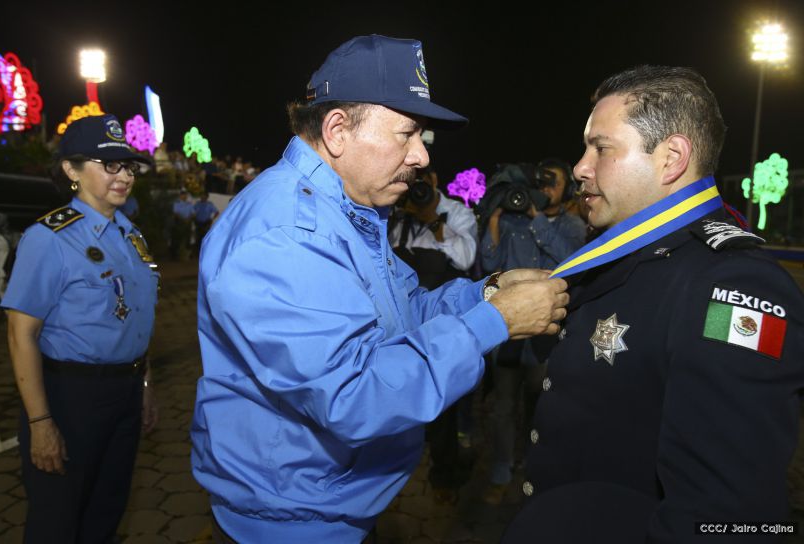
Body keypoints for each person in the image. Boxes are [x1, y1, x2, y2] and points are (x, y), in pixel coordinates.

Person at [191, 34, 568, 544]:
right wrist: (493, 322)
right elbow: (352, 396)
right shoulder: (287, 234)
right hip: (291, 523)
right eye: (407, 134)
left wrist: (484, 295)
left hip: (328, 504)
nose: (420, 155)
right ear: (337, 130)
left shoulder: (345, 212)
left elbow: (401, 311)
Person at [503, 66, 804, 543]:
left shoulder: (734, 285)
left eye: (601, 148)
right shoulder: (624, 252)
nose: (580, 167)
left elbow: (725, 517)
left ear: (671, 159)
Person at [1, 114, 160, 543]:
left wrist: (145, 385)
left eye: (129, 166)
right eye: (110, 165)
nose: (125, 176)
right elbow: (20, 333)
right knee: (57, 521)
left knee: (105, 513)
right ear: (71, 169)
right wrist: (40, 422)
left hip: (125, 392)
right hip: (71, 397)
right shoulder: (50, 238)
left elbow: (136, 319)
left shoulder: (131, 236)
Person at [479, 159, 585, 504]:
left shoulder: (573, 225)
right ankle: (500, 472)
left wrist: (537, 218)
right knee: (503, 408)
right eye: (540, 181)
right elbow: (489, 266)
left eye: (553, 182)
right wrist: (495, 218)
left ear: (566, 190)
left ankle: (533, 469)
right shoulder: (512, 220)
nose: (545, 188)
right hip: (510, 333)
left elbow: (570, 262)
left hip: (549, 335)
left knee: (540, 407)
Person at [388, 167, 479, 502]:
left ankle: (444, 475)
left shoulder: (457, 213)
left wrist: (433, 220)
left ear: (435, 180)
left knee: (443, 402)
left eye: (424, 183)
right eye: (414, 184)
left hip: (441, 322)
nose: (419, 190)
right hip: (401, 321)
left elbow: (466, 258)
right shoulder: (399, 212)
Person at [170, 188, 194, 259]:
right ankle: (175, 255)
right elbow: (175, 213)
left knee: (187, 239)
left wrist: (188, 219)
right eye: (183, 195)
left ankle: (186, 254)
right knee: (177, 239)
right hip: (179, 223)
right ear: (180, 196)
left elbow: (193, 213)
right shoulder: (176, 203)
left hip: (188, 223)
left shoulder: (189, 204)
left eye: (185, 195)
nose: (184, 196)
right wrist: (183, 219)